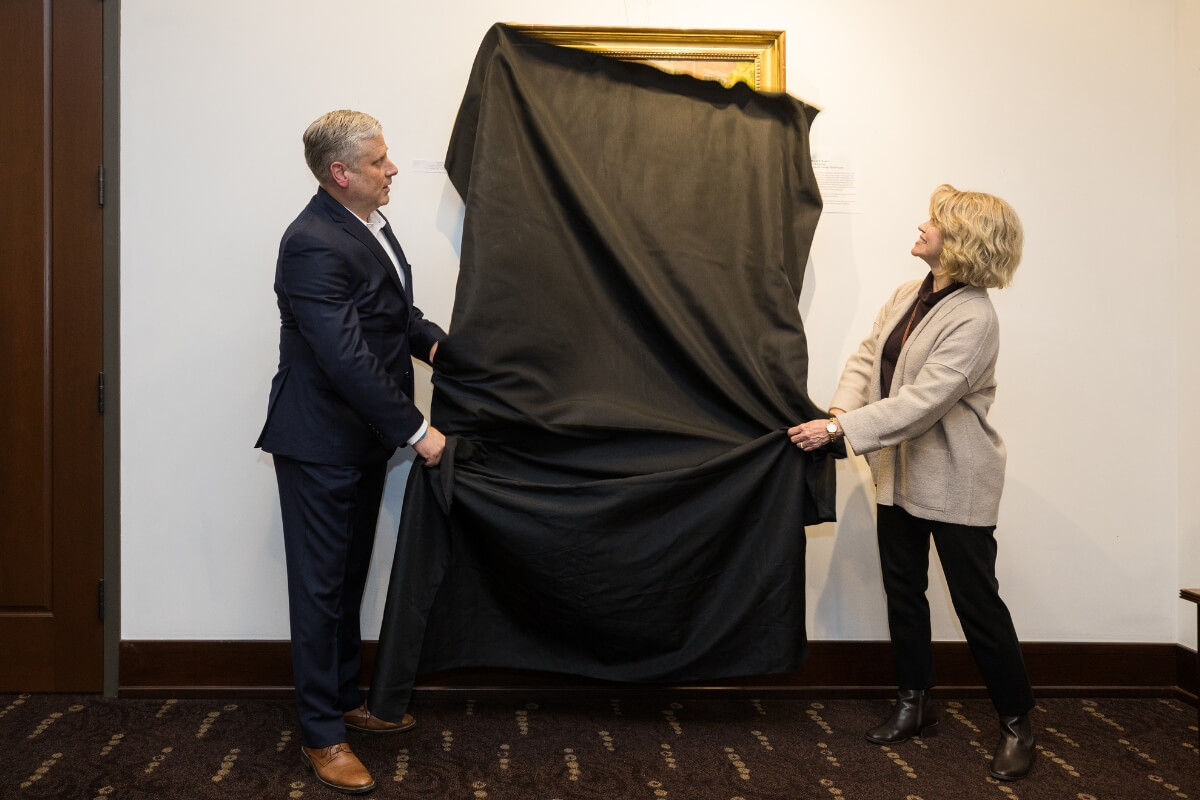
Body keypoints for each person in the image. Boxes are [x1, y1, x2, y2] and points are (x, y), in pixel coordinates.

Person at [789, 184, 1036, 781]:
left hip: (956, 481)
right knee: (903, 591)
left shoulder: (975, 318)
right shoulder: (908, 294)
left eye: (936, 220)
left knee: (976, 605)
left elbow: (922, 404)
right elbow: (866, 357)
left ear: (963, 241)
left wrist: (840, 430)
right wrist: (835, 414)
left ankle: (1017, 722)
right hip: (898, 475)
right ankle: (913, 703)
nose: (922, 225)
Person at [256, 109, 448, 794]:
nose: (392, 169)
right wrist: (419, 431)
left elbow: (390, 316)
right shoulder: (312, 241)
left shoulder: (369, 224)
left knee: (345, 579)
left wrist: (441, 349)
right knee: (319, 591)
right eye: (379, 161)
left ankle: (340, 700)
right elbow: (346, 358)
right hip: (320, 443)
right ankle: (321, 735)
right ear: (341, 173)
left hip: (361, 441)